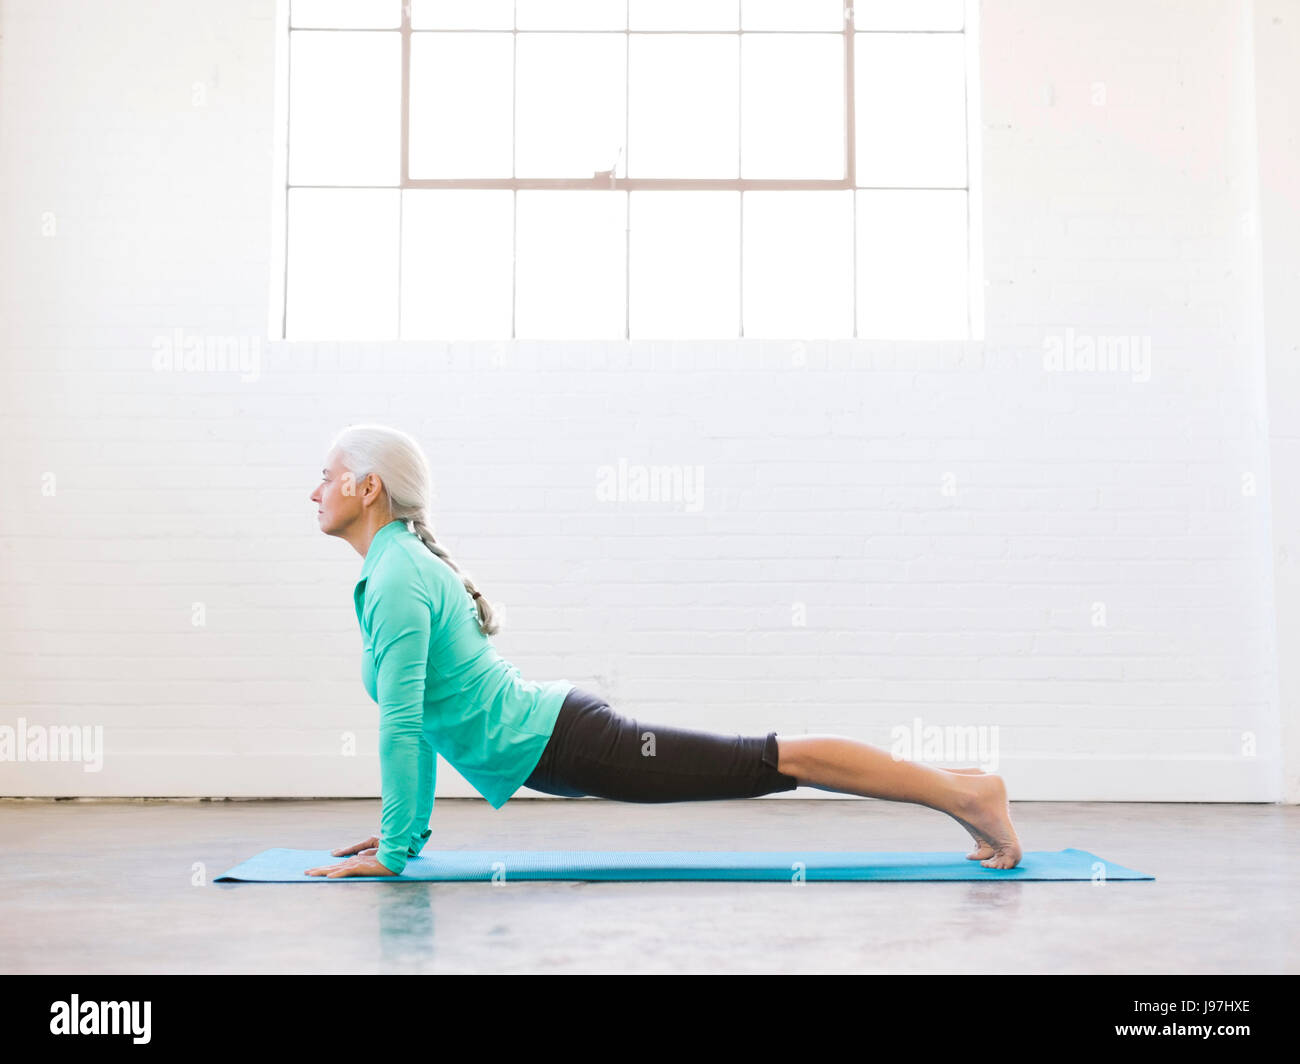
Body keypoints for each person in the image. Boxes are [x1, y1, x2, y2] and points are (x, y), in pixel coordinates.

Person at [305, 424, 1021, 878]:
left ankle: (967, 792)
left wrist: (396, 853)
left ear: (369, 488)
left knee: (770, 760)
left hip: (567, 742)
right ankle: (958, 784)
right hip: (558, 737)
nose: (315, 491)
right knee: (765, 759)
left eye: (328, 476)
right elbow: (425, 720)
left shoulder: (397, 574)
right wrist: (406, 835)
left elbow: (402, 722)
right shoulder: (394, 568)